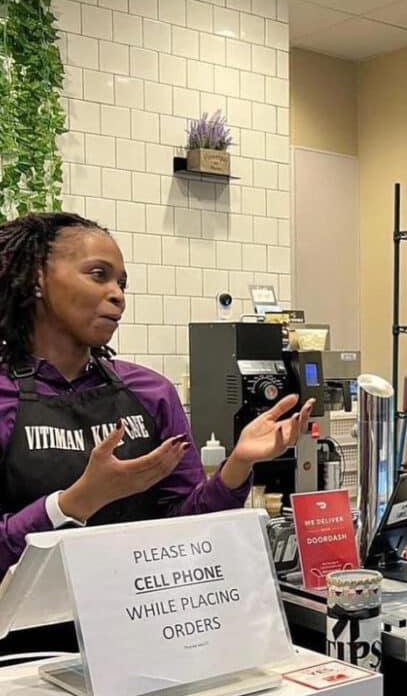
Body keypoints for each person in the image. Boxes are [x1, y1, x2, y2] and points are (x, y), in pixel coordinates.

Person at [0, 212, 313, 580]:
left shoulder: (151, 393)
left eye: (122, 283)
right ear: (38, 278)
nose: (117, 295)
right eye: (98, 275)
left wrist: (238, 465)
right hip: (27, 636)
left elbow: (186, 528)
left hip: (137, 622)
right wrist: (75, 502)